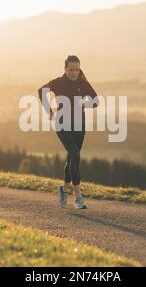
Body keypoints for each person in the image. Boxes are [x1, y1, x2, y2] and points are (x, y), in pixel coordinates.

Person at [38, 55, 99, 209]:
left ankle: (63, 190)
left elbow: (96, 100)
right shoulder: (57, 83)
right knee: (75, 155)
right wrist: (49, 111)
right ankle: (78, 197)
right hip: (62, 124)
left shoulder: (82, 83)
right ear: (65, 69)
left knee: (72, 158)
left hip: (79, 125)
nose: (74, 73)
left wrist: (87, 103)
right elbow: (41, 91)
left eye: (77, 70)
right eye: (71, 70)